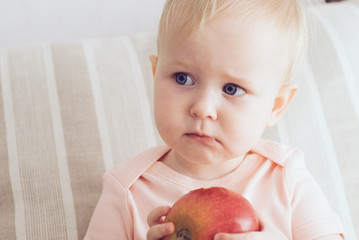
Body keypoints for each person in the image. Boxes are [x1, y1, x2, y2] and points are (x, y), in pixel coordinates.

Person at [84, 0, 345, 239]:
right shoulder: (126, 189)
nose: (203, 108)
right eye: (182, 78)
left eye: (232, 88)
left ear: (275, 107)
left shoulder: (286, 177)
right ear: (155, 75)